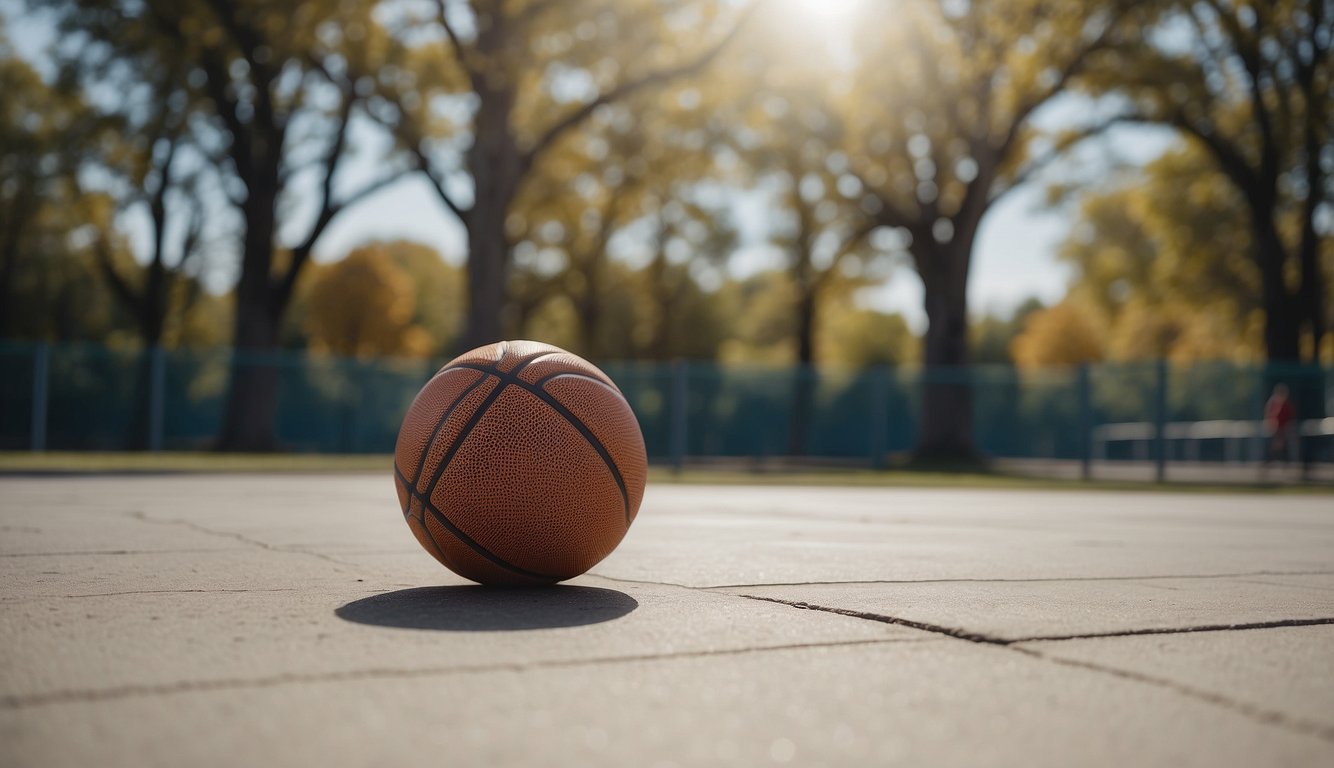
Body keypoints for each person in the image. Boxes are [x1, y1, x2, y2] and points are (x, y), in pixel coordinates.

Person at [1263, 383, 1297, 464]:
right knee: (1275, 446)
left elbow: (1290, 418)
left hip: (1283, 429)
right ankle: (1270, 462)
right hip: (1275, 429)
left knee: (1282, 446)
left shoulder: (1286, 405)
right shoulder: (1272, 403)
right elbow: (1269, 416)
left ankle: (1285, 462)